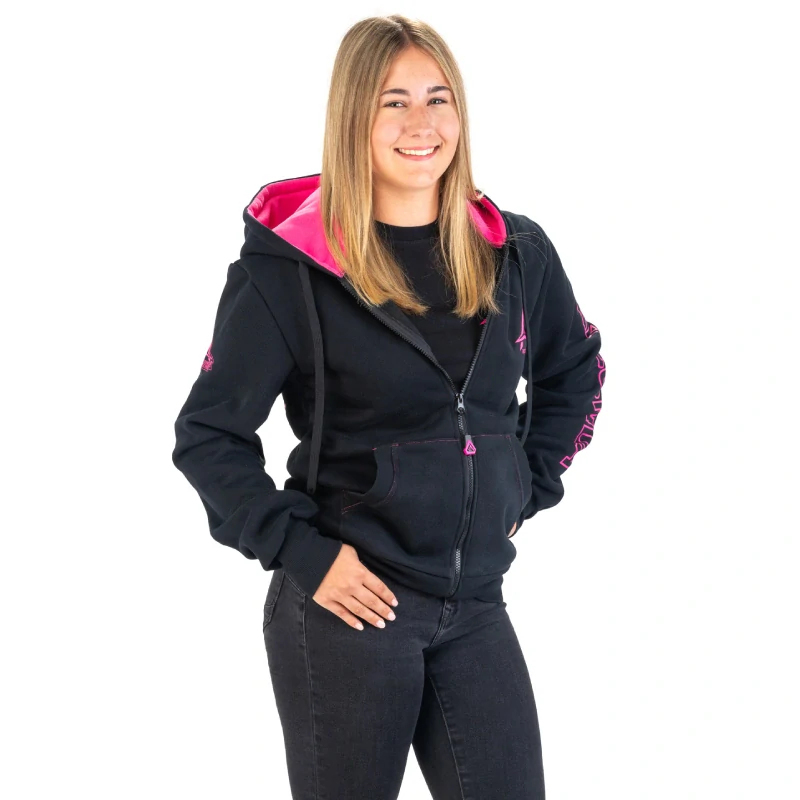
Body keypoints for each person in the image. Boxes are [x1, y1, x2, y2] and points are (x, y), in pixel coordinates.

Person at [172, 14, 605, 800]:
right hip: (350, 610)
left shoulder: (516, 253)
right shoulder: (289, 272)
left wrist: (524, 486)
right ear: (353, 118)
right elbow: (209, 435)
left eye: (438, 99)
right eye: (392, 102)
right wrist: (304, 554)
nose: (421, 124)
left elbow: (575, 373)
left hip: (475, 606)